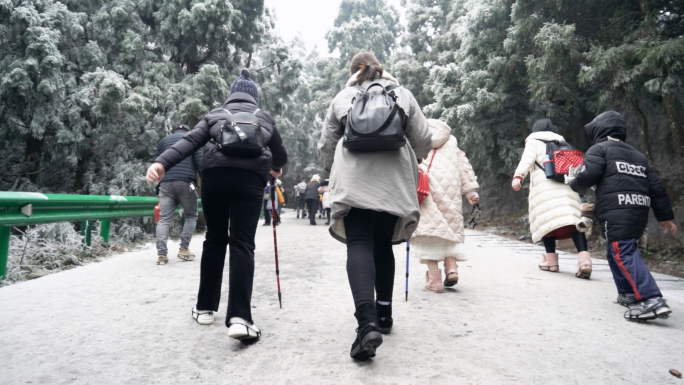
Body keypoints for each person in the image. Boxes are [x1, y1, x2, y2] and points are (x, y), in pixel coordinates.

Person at [146, 69, 287, 340]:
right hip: (250, 181)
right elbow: (281, 155)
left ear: (231, 95)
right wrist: (276, 169)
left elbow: (190, 142)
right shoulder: (264, 118)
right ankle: (240, 318)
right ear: (254, 98)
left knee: (215, 239)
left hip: (215, 179)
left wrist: (161, 163)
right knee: (243, 242)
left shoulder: (216, 114)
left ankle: (205, 308)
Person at [317, 51, 432, 360]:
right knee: (383, 245)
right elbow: (423, 140)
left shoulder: (344, 97)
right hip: (392, 183)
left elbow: (326, 146)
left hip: (353, 182)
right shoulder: (401, 94)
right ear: (382, 69)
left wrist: (333, 171)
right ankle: (384, 315)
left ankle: (365, 323)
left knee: (359, 244)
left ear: (353, 71)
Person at [569, 111, 677, 321]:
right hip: (638, 210)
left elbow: (589, 175)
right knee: (615, 250)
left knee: (622, 251)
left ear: (599, 131)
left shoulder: (598, 150)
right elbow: (656, 187)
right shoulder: (637, 155)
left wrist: (574, 183)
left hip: (617, 209)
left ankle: (652, 299)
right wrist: (665, 216)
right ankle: (628, 293)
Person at [511, 118, 592, 278]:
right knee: (573, 223)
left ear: (536, 129)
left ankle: (551, 262)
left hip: (545, 187)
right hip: (567, 186)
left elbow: (527, 159)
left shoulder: (534, 141)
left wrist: (518, 176)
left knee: (547, 221)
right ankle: (585, 261)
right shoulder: (563, 143)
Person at [410, 119, 480, 293]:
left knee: (428, 233)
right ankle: (451, 268)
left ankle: (434, 281)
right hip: (451, 190)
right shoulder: (451, 140)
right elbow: (463, 166)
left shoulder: (416, 138)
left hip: (424, 189)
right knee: (449, 229)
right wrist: (470, 190)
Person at [152, 123, 202, 265]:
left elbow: (156, 164)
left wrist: (157, 188)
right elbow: (200, 163)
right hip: (186, 183)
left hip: (166, 183)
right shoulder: (193, 139)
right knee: (191, 214)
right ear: (188, 131)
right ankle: (184, 249)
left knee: (164, 219)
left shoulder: (163, 142)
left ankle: (161, 255)